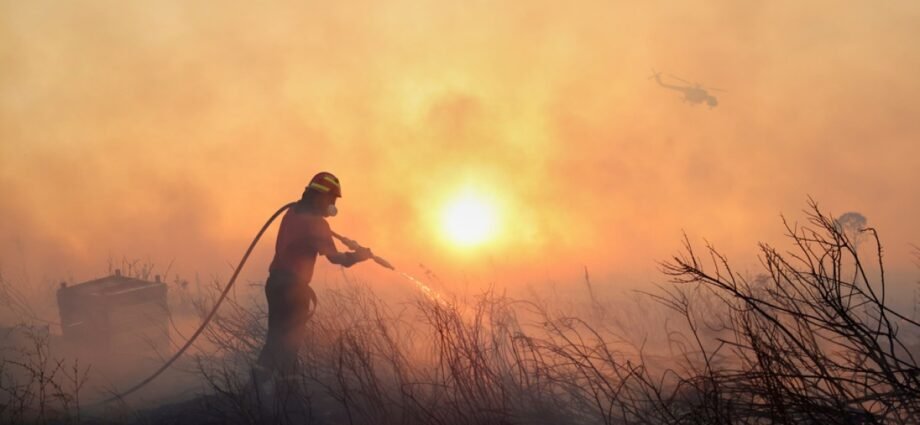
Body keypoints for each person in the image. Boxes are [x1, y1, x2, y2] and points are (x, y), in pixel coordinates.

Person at [254, 172, 373, 387]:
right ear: (320, 197)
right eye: (332, 199)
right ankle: (288, 396)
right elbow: (337, 258)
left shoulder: (291, 213)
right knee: (290, 343)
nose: (333, 204)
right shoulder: (317, 224)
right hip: (293, 290)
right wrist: (358, 256)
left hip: (275, 284)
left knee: (274, 340)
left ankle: (251, 390)